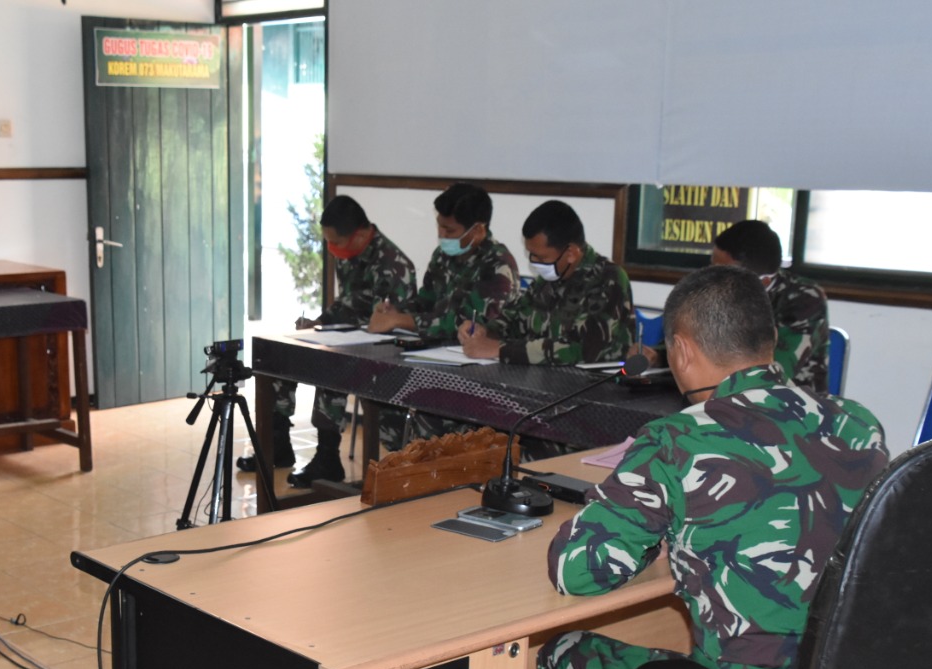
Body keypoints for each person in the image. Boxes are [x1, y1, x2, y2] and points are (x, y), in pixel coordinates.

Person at [536, 265, 888, 669]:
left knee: (564, 657)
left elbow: (576, 570)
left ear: (681, 350)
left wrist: (634, 513)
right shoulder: (859, 425)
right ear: (770, 342)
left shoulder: (678, 440)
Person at [236, 195, 416, 486]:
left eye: (337, 243)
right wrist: (319, 324)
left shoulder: (393, 265)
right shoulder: (349, 252)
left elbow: (394, 324)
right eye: (328, 242)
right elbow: (347, 303)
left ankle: (328, 458)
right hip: (348, 337)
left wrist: (345, 332)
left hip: (381, 349)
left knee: (330, 368)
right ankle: (276, 444)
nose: (333, 249)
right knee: (282, 357)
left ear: (360, 234)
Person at [460, 200, 635, 366]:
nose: (535, 262)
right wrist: (484, 331)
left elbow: (584, 350)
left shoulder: (608, 280)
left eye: (541, 257)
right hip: (543, 380)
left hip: (595, 388)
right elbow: (513, 321)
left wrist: (501, 350)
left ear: (571, 253)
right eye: (531, 254)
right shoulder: (545, 282)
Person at [369, 182, 518, 340]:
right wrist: (395, 311)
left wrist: (401, 321)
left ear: (478, 230)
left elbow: (470, 325)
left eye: (450, 230)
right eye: (439, 226)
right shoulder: (442, 254)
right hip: (434, 351)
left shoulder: (498, 265)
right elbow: (425, 302)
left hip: (475, 358)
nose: (442, 235)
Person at [712, 219, 829, 393]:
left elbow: (776, 370)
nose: (713, 277)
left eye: (723, 273)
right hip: (727, 393)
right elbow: (695, 339)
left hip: (791, 405)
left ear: (762, 280)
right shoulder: (716, 290)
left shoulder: (804, 298)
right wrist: (660, 356)